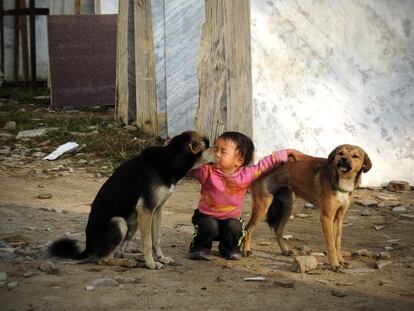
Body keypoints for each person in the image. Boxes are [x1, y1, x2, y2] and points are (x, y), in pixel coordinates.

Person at [188, 131, 306, 260]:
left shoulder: (246, 174)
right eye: (215, 149)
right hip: (206, 218)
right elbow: (185, 169)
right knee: (209, 225)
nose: (217, 154)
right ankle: (200, 248)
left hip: (229, 220)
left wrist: (286, 152)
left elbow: (265, 164)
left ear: (239, 160)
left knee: (235, 226)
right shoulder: (206, 172)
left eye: (223, 152)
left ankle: (229, 249)